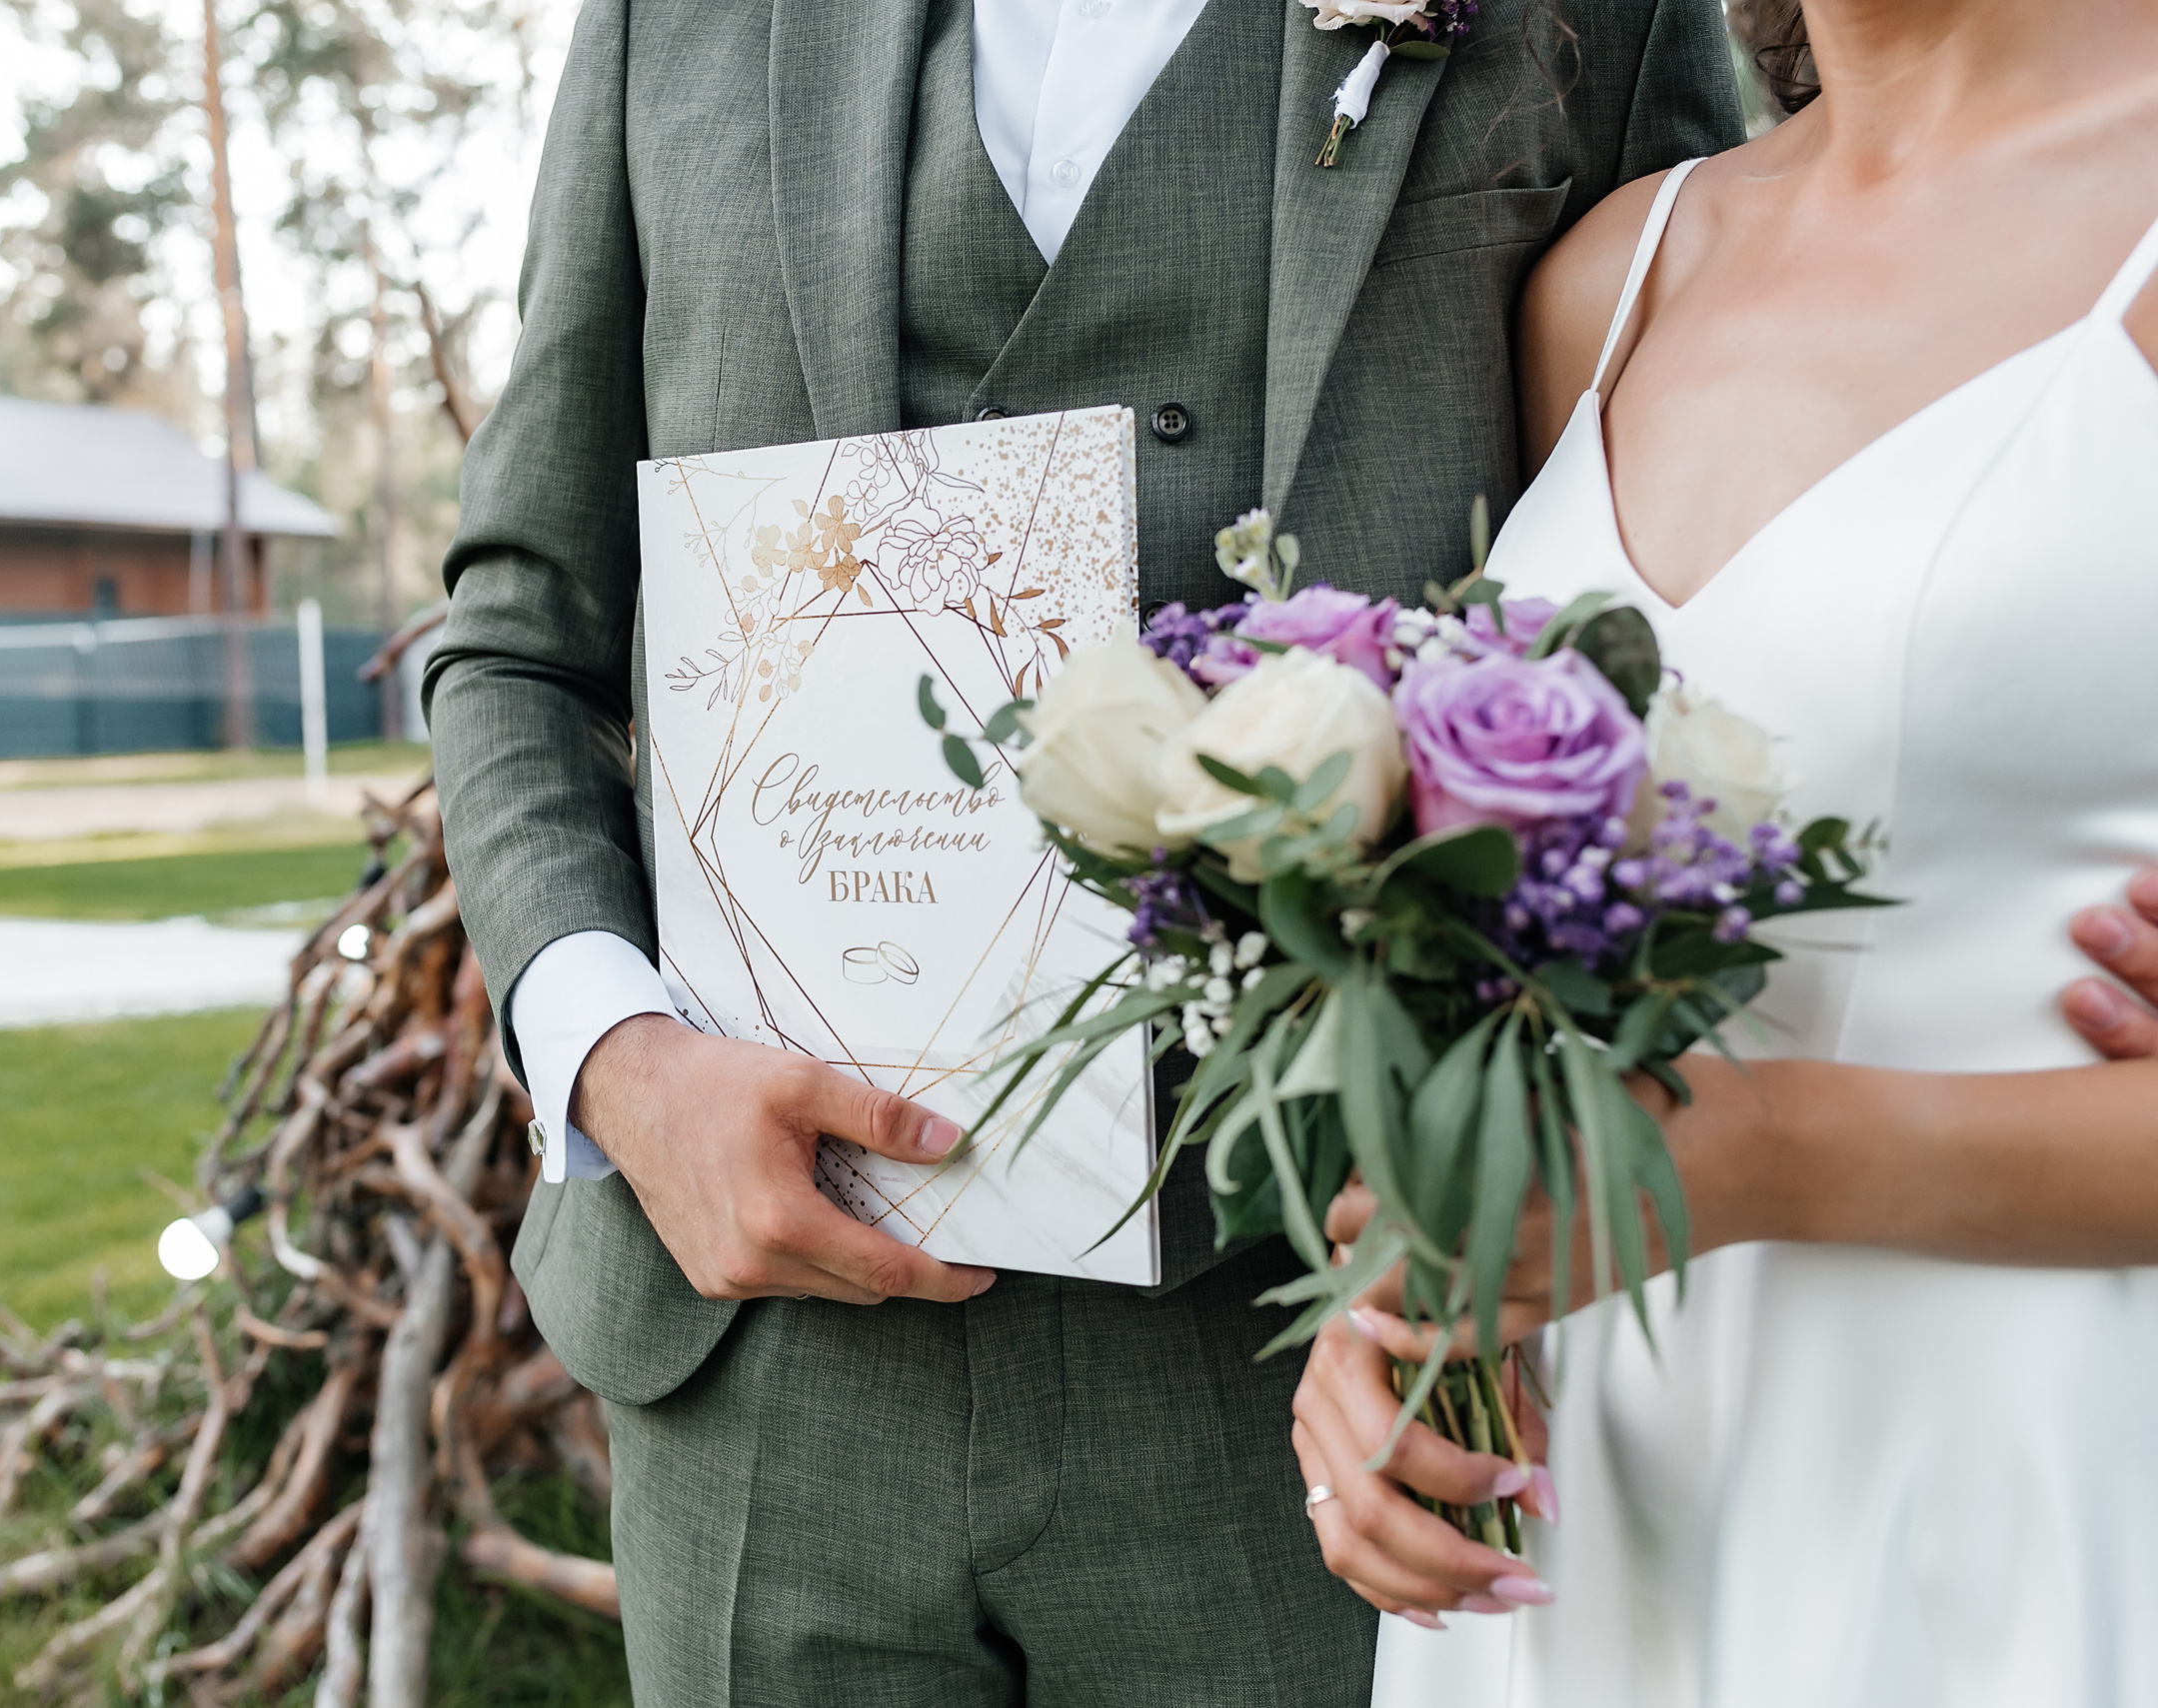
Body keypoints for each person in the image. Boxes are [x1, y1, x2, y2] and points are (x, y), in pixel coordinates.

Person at [426, 1, 1746, 1701]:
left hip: (1320, 1347)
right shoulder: (664, 26)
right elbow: (518, 633)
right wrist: (613, 1058)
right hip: (767, 1377)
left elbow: (1716, 569)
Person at [1287, 1, 2158, 1703]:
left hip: (2023, 1522)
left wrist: (1746, 1153)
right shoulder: (1612, 278)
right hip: (1586, 1549)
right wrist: (1388, 1321)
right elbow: (1532, 964)